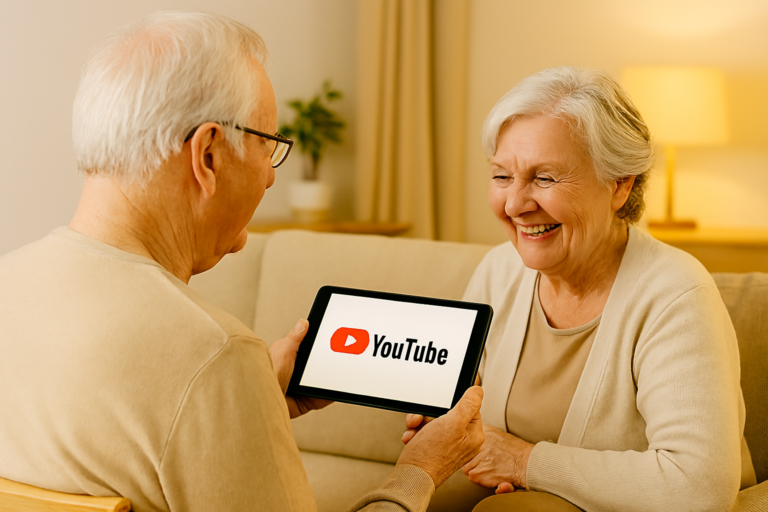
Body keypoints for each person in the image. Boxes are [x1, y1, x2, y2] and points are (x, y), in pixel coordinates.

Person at [0, 11, 485, 512]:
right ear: (208, 155)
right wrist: (419, 472)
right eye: (267, 145)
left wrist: (254, 404)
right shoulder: (214, 355)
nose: (270, 177)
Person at [405, 67, 757, 511]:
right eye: (501, 176)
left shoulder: (676, 295)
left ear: (619, 185)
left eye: (545, 178)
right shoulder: (500, 270)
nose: (515, 204)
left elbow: (697, 486)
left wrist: (524, 461)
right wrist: (442, 422)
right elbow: (455, 395)